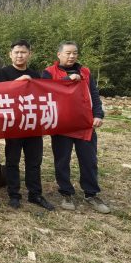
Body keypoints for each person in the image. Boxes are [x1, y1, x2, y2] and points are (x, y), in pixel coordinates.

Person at [43, 41, 110, 214]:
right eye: (68, 53)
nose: (71, 56)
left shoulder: (85, 72)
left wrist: (98, 114)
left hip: (84, 123)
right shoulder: (49, 72)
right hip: (62, 125)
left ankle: (91, 193)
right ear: (59, 54)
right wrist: (67, 80)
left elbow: (94, 94)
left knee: (89, 160)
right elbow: (45, 91)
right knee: (62, 160)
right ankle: (66, 193)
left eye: (74, 53)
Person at [0, 40, 54, 210]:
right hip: (13, 125)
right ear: (10, 54)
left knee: (34, 161)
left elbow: (43, 96)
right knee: (12, 161)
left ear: (29, 54)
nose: (20, 55)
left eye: (23, 52)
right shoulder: (3, 73)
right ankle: (14, 194)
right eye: (16, 52)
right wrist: (18, 82)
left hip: (33, 124)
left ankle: (35, 194)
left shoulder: (35, 74)